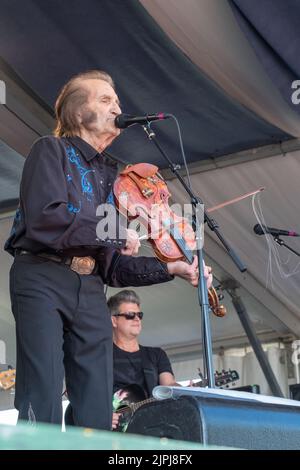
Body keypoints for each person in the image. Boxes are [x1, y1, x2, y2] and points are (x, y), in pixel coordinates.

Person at [5, 70, 212, 431]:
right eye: (105, 100)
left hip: (90, 286)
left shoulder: (112, 176)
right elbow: (46, 219)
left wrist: (172, 268)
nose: (117, 106)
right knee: (43, 389)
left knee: (97, 400)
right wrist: (115, 233)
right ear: (77, 112)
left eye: (117, 101)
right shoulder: (50, 150)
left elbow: (114, 267)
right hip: (41, 275)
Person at [108, 290, 179, 431]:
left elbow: (169, 385)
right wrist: (100, 413)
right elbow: (82, 390)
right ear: (114, 320)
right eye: (130, 315)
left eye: (139, 315)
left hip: (150, 429)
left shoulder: (156, 354)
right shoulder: (101, 355)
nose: (137, 319)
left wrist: (186, 390)